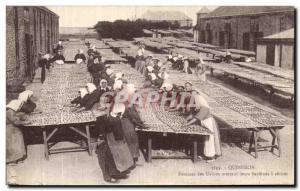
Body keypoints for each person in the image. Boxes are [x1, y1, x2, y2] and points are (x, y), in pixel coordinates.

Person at [96, 103, 134, 183]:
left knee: (115, 157)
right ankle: (109, 176)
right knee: (111, 157)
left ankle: (117, 172)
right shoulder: (116, 120)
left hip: (108, 138)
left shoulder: (109, 116)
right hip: (110, 141)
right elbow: (119, 136)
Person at [185, 93, 222, 161]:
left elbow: (196, 118)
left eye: (196, 102)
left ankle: (211, 157)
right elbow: (192, 115)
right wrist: (185, 120)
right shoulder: (198, 108)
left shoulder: (205, 108)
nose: (195, 104)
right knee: (204, 139)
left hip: (209, 123)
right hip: (204, 124)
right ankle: (205, 155)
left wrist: (187, 124)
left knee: (209, 140)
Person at [6, 99, 31, 164]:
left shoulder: (12, 111)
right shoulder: (9, 112)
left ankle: (18, 158)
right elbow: (15, 122)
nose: (19, 107)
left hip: (15, 130)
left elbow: (17, 117)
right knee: (12, 146)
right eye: (19, 105)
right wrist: (25, 122)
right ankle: (11, 161)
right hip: (10, 130)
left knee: (18, 144)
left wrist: (22, 117)